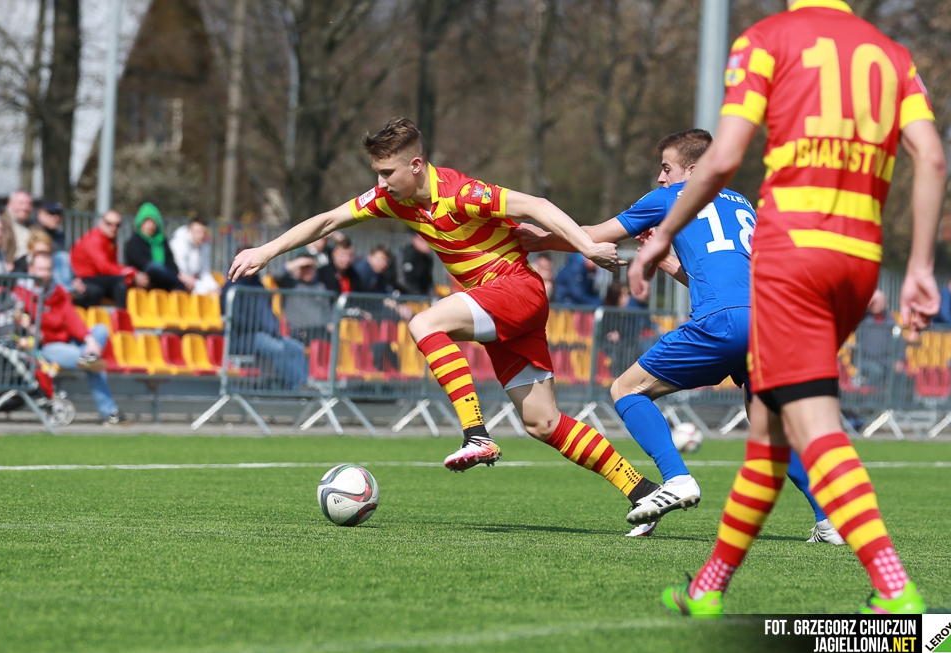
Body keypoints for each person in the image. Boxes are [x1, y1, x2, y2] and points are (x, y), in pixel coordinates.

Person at [629, 0, 945, 615]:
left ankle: (894, 588)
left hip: (792, 258)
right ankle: (709, 589)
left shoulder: (767, 39)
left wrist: (664, 234)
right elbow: (931, 157)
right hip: (858, 261)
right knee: (770, 431)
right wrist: (922, 266)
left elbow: (722, 160)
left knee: (812, 426)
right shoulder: (892, 54)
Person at [229, 116, 663, 519]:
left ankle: (476, 434)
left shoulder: (461, 192)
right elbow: (328, 220)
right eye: (377, 173)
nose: (380, 183)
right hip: (503, 305)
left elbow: (537, 205)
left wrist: (587, 248)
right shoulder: (392, 200)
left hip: (516, 290)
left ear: (416, 165)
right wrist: (266, 251)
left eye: (387, 173)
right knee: (543, 423)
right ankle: (641, 489)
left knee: (424, 323)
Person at [520, 129, 839, 544]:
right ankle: (829, 521)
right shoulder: (743, 203)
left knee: (626, 389)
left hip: (722, 323)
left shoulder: (671, 197)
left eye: (666, 167)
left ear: (692, 170)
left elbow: (595, 234)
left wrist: (540, 239)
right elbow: (727, 278)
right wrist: (672, 266)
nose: (660, 177)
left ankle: (676, 478)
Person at [15, 252, 131, 425]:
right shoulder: (22, 293)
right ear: (30, 269)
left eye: (48, 269)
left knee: (100, 330)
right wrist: (30, 329)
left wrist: (90, 340)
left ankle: (89, 356)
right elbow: (18, 319)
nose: (45, 274)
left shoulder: (58, 291)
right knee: (92, 364)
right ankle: (109, 411)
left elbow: (72, 319)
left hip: (66, 340)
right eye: (40, 269)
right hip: (46, 347)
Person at [222, 250, 308, 391]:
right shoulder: (231, 287)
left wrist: (273, 326)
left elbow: (267, 312)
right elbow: (235, 318)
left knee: (297, 348)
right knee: (277, 348)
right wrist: (262, 326)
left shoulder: (259, 285)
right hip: (242, 338)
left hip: (264, 334)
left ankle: (303, 385)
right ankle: (295, 387)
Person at [70, 210, 149, 308]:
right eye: (109, 224)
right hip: (85, 278)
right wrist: (133, 272)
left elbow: (110, 267)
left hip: (98, 278)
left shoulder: (111, 240)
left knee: (128, 282)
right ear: (101, 222)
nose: (113, 228)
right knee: (121, 281)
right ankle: (123, 314)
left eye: (117, 225)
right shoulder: (94, 239)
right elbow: (105, 267)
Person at [124, 203, 188, 292]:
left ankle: (178, 286)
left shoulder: (162, 241)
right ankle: (179, 285)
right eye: (147, 222)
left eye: (153, 222)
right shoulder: (134, 242)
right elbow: (140, 263)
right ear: (140, 223)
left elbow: (171, 264)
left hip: (162, 279)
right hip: (145, 279)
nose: (150, 226)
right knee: (153, 267)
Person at [273, 250, 333, 345]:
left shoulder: (320, 286)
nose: (307, 271)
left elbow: (326, 309)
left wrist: (330, 323)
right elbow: (277, 275)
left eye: (310, 267)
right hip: (299, 332)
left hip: (322, 332)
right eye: (304, 267)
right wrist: (298, 262)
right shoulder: (290, 284)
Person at [169, 217, 220, 295]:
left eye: (204, 232)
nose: (201, 235)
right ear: (189, 230)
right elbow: (181, 274)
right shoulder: (178, 244)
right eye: (198, 232)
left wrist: (214, 287)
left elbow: (205, 273)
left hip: (193, 285)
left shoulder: (204, 247)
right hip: (177, 286)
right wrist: (206, 289)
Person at [0, 189, 33, 267]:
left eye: (29, 204)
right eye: (21, 203)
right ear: (9, 203)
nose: (25, 207)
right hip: (9, 266)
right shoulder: (0, 221)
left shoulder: (33, 225)